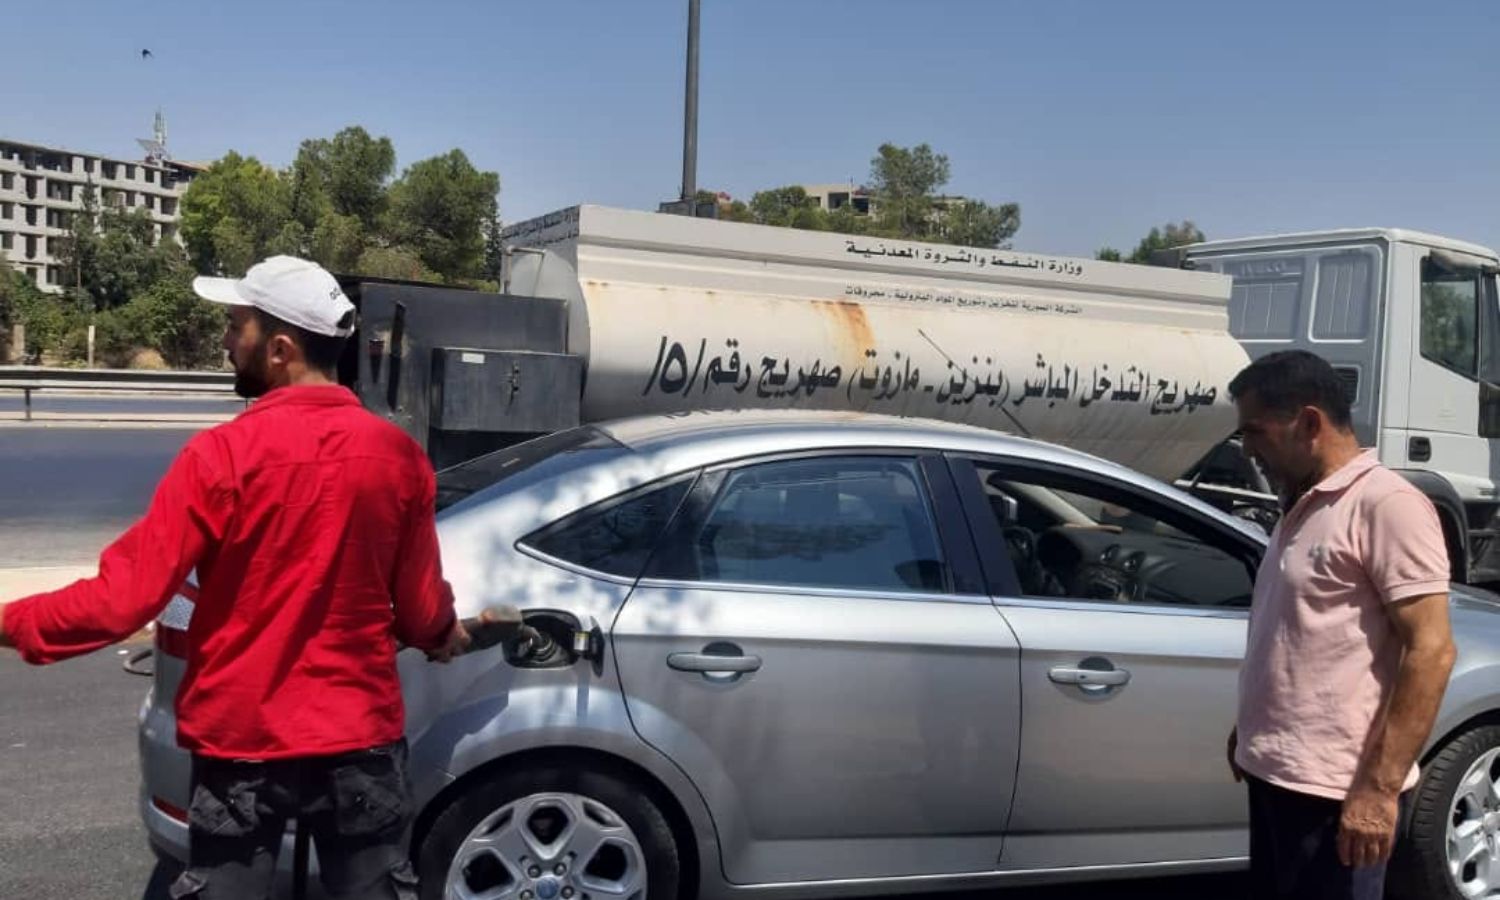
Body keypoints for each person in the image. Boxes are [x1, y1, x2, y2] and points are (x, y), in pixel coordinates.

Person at [0, 255, 467, 899]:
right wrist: (444, 630)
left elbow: (119, 602)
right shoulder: (399, 458)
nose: (225, 340)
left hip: (242, 746)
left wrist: (8, 624)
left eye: (234, 325)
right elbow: (420, 612)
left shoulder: (220, 457)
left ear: (279, 349)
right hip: (359, 740)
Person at [1226, 349, 1457, 899]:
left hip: (1336, 792)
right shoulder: (1303, 502)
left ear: (1309, 422)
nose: (1246, 448)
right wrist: (1253, 726)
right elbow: (1300, 633)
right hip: (1278, 774)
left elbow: (1431, 651)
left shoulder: (1387, 504)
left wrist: (1377, 791)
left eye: (1254, 431)